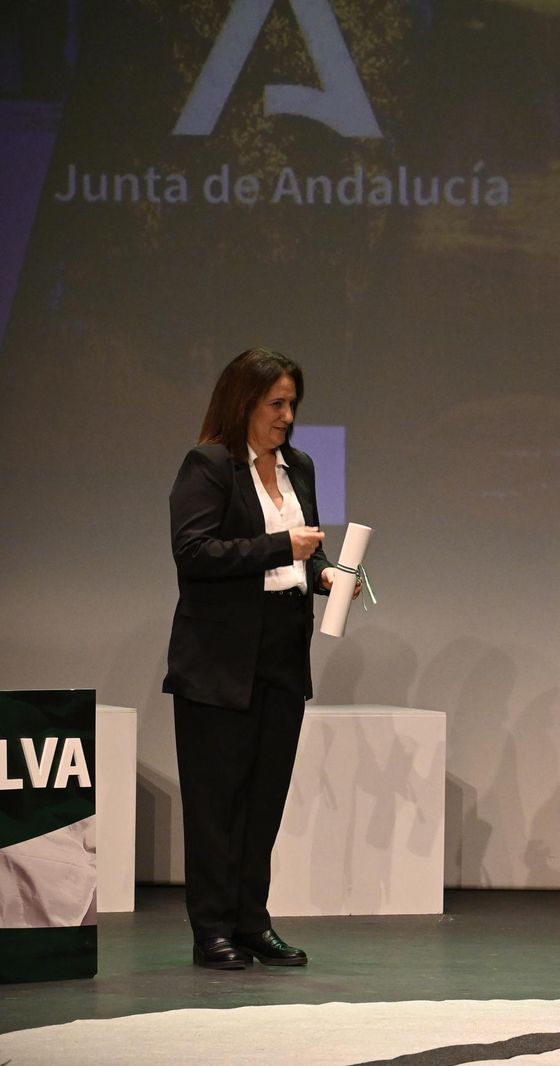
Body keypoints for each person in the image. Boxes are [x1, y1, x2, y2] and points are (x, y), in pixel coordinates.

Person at [163, 346, 337, 970]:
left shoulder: (302, 468)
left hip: (283, 650)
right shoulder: (209, 464)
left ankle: (251, 922)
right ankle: (211, 929)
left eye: (293, 405)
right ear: (245, 403)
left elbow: (304, 551)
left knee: (264, 798)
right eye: (277, 404)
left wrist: (322, 574)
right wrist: (279, 547)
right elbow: (195, 554)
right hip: (219, 658)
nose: (287, 416)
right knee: (216, 803)